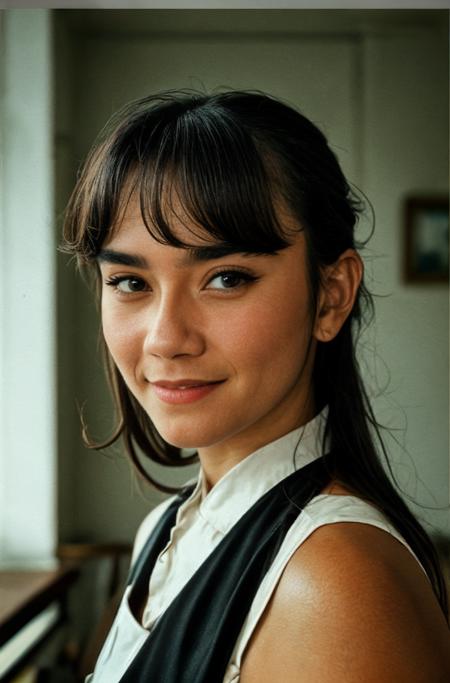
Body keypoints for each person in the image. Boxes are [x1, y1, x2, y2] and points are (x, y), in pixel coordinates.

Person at [62, 89, 450, 682]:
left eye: (225, 277)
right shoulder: (166, 529)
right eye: (129, 282)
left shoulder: (331, 583)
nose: (166, 338)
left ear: (332, 295)